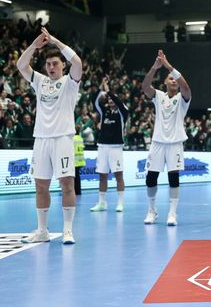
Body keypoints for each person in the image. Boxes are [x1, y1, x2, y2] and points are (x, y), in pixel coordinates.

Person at [16, 27, 82, 245]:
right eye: (48, 64)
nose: (52, 67)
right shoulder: (40, 81)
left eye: (55, 63)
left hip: (63, 138)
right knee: (41, 186)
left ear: (63, 65)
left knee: (67, 185)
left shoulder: (70, 83)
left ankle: (68, 230)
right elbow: (21, 65)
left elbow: (79, 62)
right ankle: (42, 230)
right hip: (41, 139)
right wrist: (35, 46)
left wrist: (55, 40)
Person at [141, 50, 192, 226]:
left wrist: (168, 65)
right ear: (165, 82)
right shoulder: (159, 96)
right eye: (170, 78)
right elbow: (145, 87)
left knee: (173, 178)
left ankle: (172, 213)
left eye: (175, 79)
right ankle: (152, 210)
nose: (174, 81)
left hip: (175, 143)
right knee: (151, 178)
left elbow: (185, 87)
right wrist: (155, 68)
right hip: (157, 143)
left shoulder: (183, 98)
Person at [90, 76, 129, 212]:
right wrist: (102, 88)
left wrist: (109, 91)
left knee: (118, 175)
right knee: (102, 175)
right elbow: (94, 101)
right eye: (109, 99)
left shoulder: (123, 112)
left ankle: (120, 203)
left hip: (116, 147)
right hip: (102, 147)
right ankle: (102, 203)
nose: (111, 101)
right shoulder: (104, 111)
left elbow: (119, 102)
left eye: (113, 99)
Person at [73, 126, 85, 195]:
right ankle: (78, 191)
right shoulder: (80, 138)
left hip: (74, 160)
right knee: (77, 177)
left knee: (74, 177)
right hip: (80, 160)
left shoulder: (72, 138)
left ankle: (75, 191)